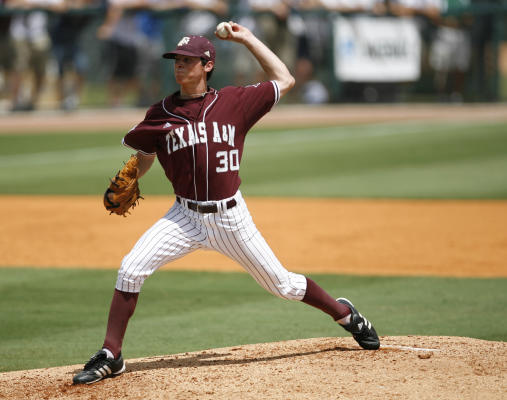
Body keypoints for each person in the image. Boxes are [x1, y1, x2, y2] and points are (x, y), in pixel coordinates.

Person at [72, 21, 380, 385]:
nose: (180, 65)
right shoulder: (160, 114)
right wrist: (127, 178)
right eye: (176, 59)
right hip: (183, 217)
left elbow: (284, 78)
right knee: (130, 268)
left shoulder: (235, 102)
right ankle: (112, 354)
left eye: (188, 60)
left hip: (231, 219)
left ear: (208, 65)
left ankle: (345, 314)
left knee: (283, 285)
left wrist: (247, 38)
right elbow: (145, 155)